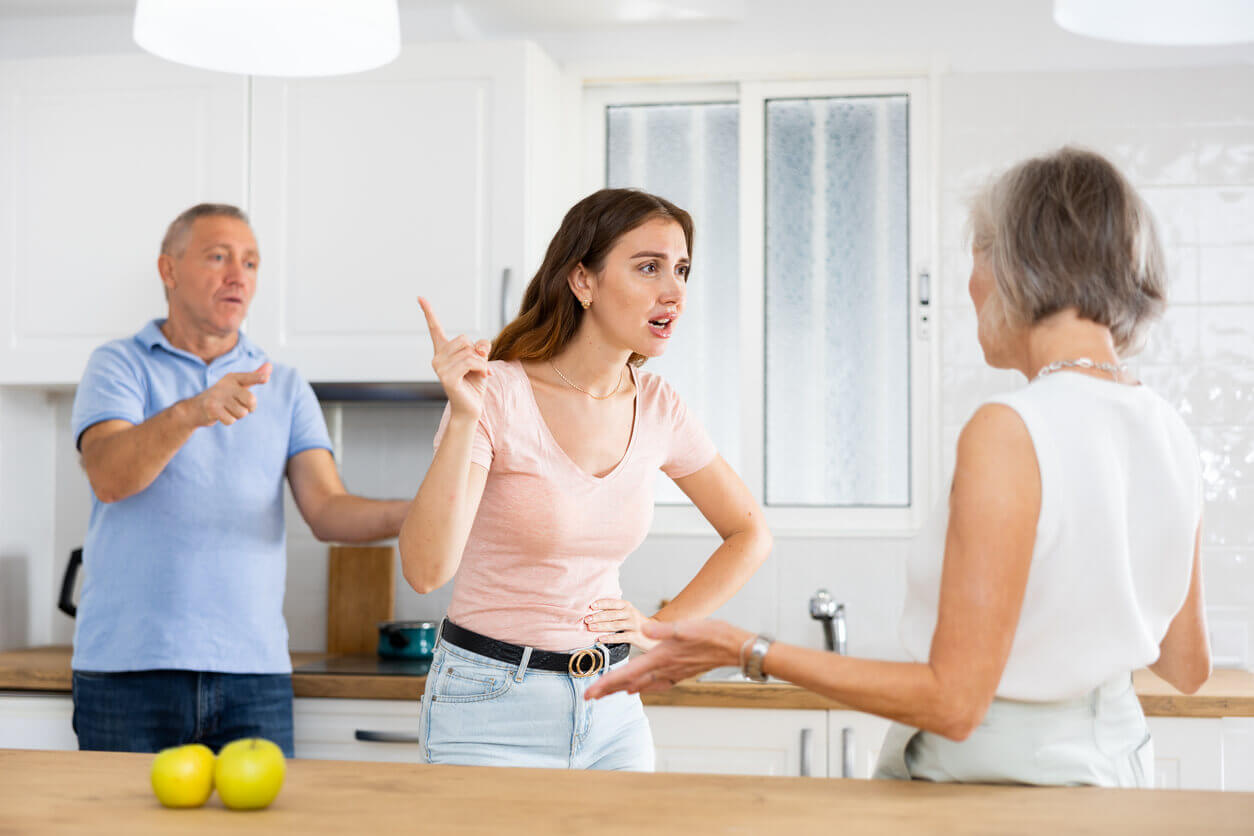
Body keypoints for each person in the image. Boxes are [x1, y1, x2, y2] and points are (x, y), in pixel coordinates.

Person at [587, 147, 1211, 788]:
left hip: (998, 786)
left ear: (1017, 262)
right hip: (1118, 774)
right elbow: (1187, 664)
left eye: (975, 256)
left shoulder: (1011, 428)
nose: (969, 287)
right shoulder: (1166, 425)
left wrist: (746, 648)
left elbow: (954, 704)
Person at [400, 188, 772, 771]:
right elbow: (425, 571)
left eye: (681, 270)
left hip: (613, 707)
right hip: (488, 705)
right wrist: (464, 419)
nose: (673, 290)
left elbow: (750, 535)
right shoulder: (493, 393)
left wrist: (657, 630)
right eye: (648, 267)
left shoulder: (657, 405)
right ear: (583, 281)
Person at [71, 203, 411, 757]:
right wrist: (194, 410)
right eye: (218, 257)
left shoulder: (285, 385)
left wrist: (415, 513)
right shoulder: (118, 366)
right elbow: (109, 477)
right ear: (169, 269)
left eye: (251, 263)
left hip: (254, 675)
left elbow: (326, 508)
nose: (238, 275)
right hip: (127, 670)